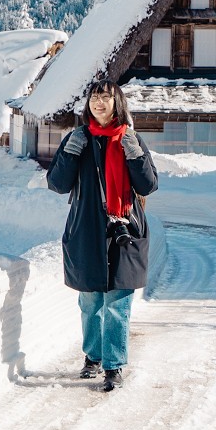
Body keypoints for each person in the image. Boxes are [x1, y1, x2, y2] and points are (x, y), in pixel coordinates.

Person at [46, 79, 159, 392]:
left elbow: (148, 185)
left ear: (116, 102)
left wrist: (134, 155)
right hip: (86, 229)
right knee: (90, 302)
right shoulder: (78, 138)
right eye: (94, 97)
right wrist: (70, 153)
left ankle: (113, 366)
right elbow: (57, 184)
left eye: (105, 97)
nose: (99, 102)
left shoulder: (130, 138)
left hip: (125, 229)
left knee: (117, 304)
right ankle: (93, 356)